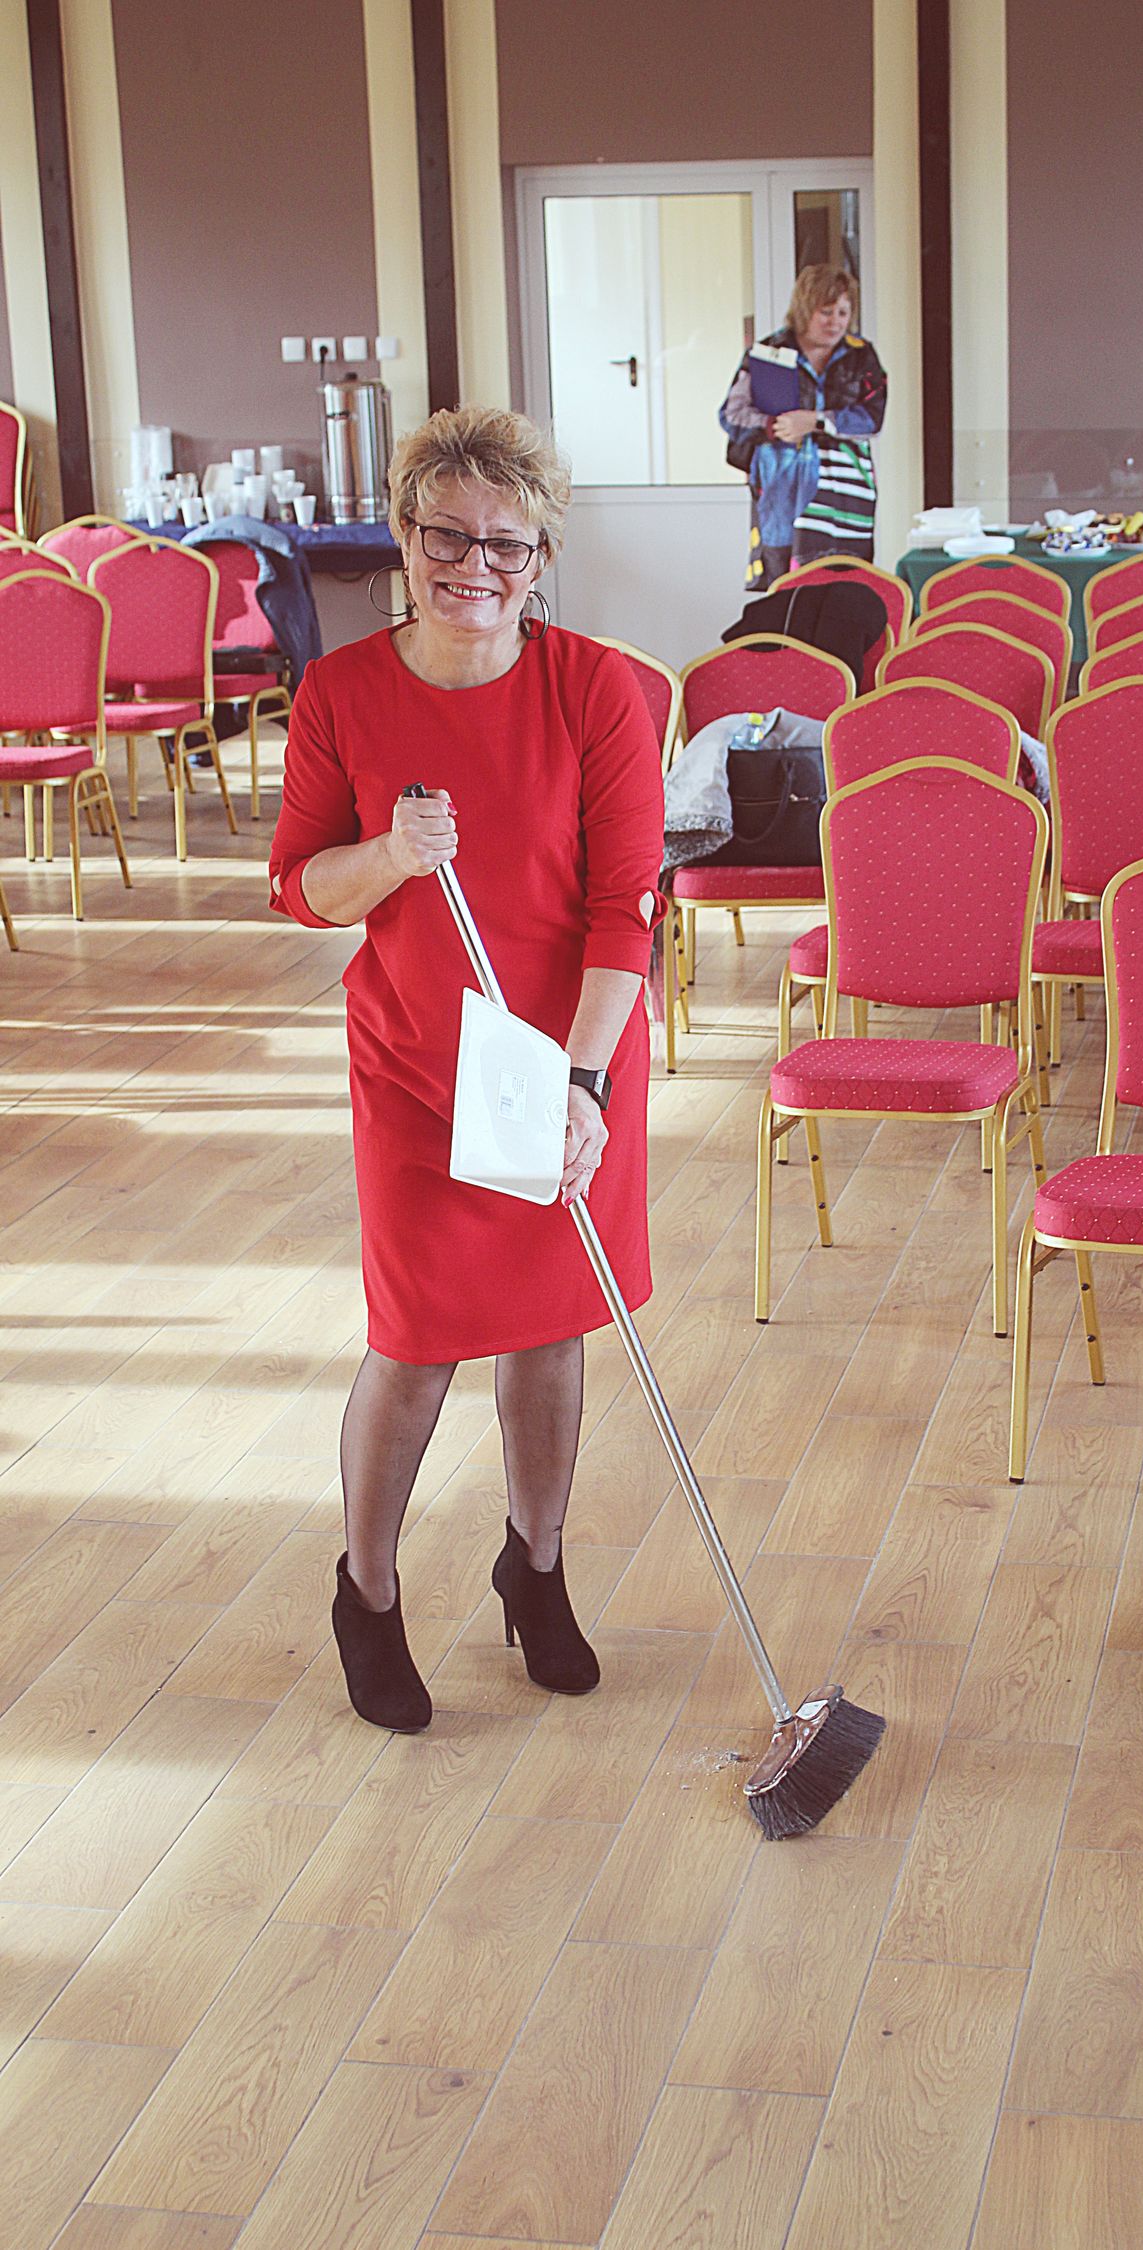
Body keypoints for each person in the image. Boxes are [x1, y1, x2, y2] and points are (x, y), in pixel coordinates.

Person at [268, 405, 663, 1731]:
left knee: (548, 1326)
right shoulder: (340, 695)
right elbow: (301, 888)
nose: (474, 566)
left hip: (564, 1055)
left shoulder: (595, 690)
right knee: (416, 1340)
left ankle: (533, 1567)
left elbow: (624, 914)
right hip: (417, 1061)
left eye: (507, 544)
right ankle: (367, 1592)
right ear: (404, 535)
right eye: (447, 535)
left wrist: (582, 1088)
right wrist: (392, 854)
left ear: (540, 557)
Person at [718, 263, 888, 590]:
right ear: (805, 309)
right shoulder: (767, 352)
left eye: (843, 312)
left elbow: (872, 418)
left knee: (845, 579)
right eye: (826, 312)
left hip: (846, 486)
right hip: (783, 482)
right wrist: (774, 425)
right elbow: (732, 414)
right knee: (783, 579)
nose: (835, 321)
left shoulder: (862, 356)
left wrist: (815, 421)